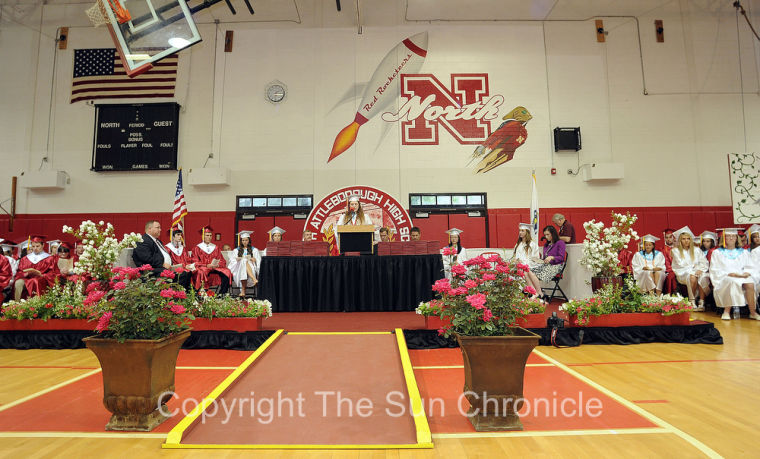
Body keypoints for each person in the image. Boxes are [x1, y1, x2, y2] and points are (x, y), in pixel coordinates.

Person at [710, 228, 760, 320]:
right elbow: (714, 269)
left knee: (750, 283)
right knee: (731, 282)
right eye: (728, 236)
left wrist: (746, 273)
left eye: (733, 236)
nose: (731, 238)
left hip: (741, 276)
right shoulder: (717, 253)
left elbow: (750, 266)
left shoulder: (744, 252)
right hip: (725, 276)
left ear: (737, 238)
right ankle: (726, 311)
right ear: (724, 239)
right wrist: (730, 274)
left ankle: (752, 312)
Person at [133, 220, 192, 290]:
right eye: (157, 228)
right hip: (153, 270)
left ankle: (184, 295)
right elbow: (147, 258)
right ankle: (175, 296)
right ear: (149, 229)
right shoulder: (143, 241)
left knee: (187, 273)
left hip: (165, 267)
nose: (160, 230)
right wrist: (162, 264)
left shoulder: (157, 241)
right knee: (182, 275)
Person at [671, 226, 710, 311]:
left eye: (688, 238)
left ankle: (701, 302)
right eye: (683, 239)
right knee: (692, 276)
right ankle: (692, 301)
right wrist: (695, 270)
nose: (686, 241)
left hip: (696, 271)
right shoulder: (676, 251)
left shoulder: (696, 250)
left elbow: (704, 262)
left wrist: (700, 269)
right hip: (682, 273)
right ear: (680, 240)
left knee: (703, 276)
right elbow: (681, 265)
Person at [14, 235, 60, 300]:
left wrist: (42, 275)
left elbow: (53, 273)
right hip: (27, 279)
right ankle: (17, 303)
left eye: (37, 246)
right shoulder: (25, 259)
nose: (35, 248)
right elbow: (19, 272)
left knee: (35, 281)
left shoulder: (49, 258)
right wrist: (26, 274)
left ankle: (36, 303)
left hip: (41, 279)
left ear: (43, 245)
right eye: (33, 246)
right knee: (18, 282)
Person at [192, 226, 232, 295]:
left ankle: (222, 294)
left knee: (227, 272)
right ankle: (203, 293)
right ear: (203, 236)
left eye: (210, 235)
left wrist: (218, 264)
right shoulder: (197, 248)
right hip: (204, 267)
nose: (209, 237)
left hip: (215, 267)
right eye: (207, 235)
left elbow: (222, 260)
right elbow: (195, 262)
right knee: (202, 272)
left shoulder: (215, 247)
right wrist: (206, 265)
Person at [511, 223, 542, 300]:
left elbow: (534, 258)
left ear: (527, 232)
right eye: (519, 231)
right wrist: (516, 260)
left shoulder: (532, 244)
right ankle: (535, 292)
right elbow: (515, 256)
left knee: (525, 271)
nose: (520, 232)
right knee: (522, 271)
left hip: (531, 264)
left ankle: (534, 292)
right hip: (520, 265)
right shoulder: (518, 244)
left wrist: (523, 263)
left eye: (522, 231)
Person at [532, 226, 566, 292]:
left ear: (553, 234)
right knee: (528, 272)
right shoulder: (546, 245)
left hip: (555, 267)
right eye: (545, 235)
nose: (546, 237)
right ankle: (536, 292)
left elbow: (561, 257)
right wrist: (539, 260)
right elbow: (545, 258)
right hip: (546, 266)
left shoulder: (560, 243)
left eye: (548, 234)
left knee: (532, 274)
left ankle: (538, 292)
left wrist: (552, 257)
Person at [227, 231, 261, 297]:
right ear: (241, 241)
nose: (244, 242)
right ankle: (254, 279)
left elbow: (258, 262)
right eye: (243, 240)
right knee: (243, 261)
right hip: (238, 269)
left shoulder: (254, 250)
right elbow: (232, 262)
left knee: (244, 262)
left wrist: (254, 260)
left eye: (246, 240)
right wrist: (237, 260)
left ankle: (243, 291)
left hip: (251, 268)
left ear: (249, 240)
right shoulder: (236, 250)